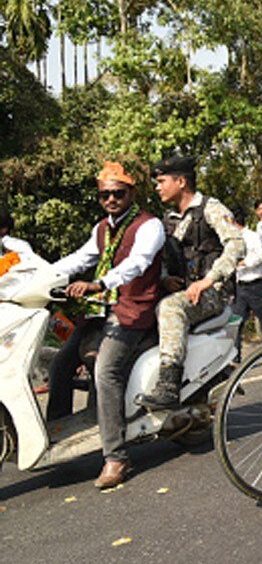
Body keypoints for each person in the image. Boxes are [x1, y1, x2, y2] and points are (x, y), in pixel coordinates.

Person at [47, 162, 165, 488]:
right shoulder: (102, 228)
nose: (111, 199)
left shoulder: (149, 225)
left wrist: (99, 284)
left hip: (132, 310)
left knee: (105, 371)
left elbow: (138, 263)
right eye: (105, 195)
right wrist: (40, 276)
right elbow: (80, 258)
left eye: (118, 193)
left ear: (132, 193)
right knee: (60, 363)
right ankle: (57, 434)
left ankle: (116, 457)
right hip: (101, 310)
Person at [138, 156, 245, 410]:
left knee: (171, 308)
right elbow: (161, 257)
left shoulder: (210, 208)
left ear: (181, 181)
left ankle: (169, 385)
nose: (157, 187)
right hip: (185, 290)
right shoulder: (169, 218)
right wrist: (165, 279)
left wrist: (208, 280)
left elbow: (237, 244)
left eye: (162, 181)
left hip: (212, 294)